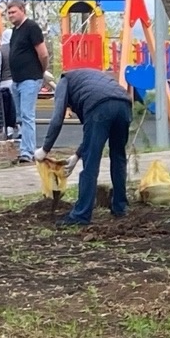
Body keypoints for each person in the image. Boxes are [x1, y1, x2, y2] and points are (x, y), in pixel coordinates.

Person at [41, 65, 135, 226]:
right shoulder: (88, 79)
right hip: (124, 104)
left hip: (99, 106)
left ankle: (81, 215)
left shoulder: (64, 81)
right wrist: (77, 155)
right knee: (118, 157)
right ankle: (120, 207)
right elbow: (91, 136)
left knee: (91, 163)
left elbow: (57, 119)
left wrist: (44, 149)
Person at [2, 2, 50, 162]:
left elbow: (43, 54)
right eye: (8, 13)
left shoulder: (31, 27)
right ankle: (26, 148)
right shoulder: (15, 31)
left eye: (13, 12)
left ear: (22, 10)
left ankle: (27, 152)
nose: (10, 15)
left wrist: (40, 72)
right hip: (16, 80)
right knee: (21, 116)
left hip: (30, 78)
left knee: (27, 115)